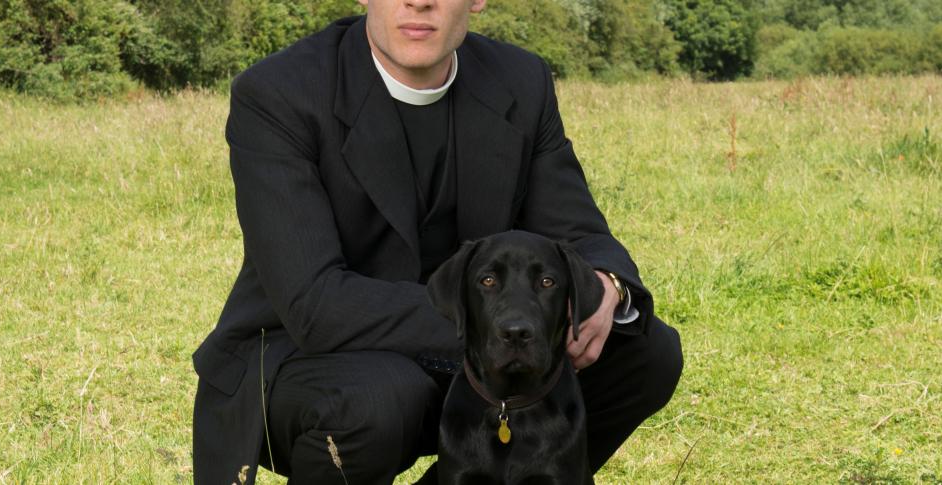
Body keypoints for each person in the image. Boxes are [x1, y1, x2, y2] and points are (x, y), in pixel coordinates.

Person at [191, 1, 683, 484]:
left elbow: (579, 232)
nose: (419, 2)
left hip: (470, 355)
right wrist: (489, 324)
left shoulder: (521, 80)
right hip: (303, 363)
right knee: (382, 399)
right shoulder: (280, 92)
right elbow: (314, 304)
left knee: (646, 351)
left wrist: (607, 284)